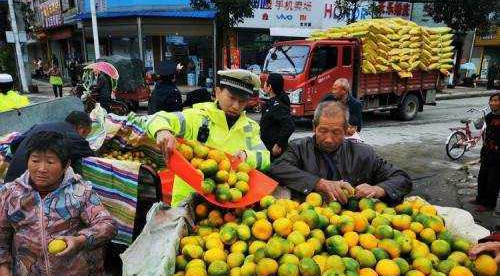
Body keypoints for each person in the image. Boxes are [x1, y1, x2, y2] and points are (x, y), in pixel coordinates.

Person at [0, 131, 117, 276]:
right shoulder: (10, 194)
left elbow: (107, 225)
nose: (41, 168)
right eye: (35, 160)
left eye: (50, 161)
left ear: (66, 165)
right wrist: (3, 272)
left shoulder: (81, 192)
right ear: (27, 161)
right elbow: (1, 235)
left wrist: (80, 240)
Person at [146, 69, 270, 206]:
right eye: (232, 98)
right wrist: (162, 130)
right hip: (187, 205)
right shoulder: (197, 116)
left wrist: (247, 156)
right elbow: (157, 118)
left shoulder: (250, 127)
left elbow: (265, 157)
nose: (236, 106)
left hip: (226, 204)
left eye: (242, 101)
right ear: (218, 92)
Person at [270, 101, 412, 204]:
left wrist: (379, 189)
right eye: (323, 131)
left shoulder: (363, 154)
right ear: (314, 127)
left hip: (354, 230)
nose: (329, 139)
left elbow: (402, 178)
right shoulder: (299, 148)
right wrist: (318, 183)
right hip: (307, 227)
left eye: (336, 132)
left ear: (346, 131)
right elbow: (277, 168)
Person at [5, 111, 95, 183]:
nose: (83, 138)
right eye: (85, 134)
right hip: (31, 192)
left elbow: (14, 145)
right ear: (81, 128)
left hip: (10, 182)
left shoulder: (39, 126)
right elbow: (93, 160)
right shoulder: (74, 137)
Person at [260, 73, 295, 160]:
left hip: (274, 152)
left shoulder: (278, 105)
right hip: (266, 149)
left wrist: (279, 144)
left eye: (265, 83)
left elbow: (289, 126)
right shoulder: (271, 103)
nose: (263, 85)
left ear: (269, 87)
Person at [474, 93, 500, 211]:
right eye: (491, 101)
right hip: (487, 151)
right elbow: (482, 129)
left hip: (497, 154)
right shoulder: (489, 116)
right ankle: (480, 199)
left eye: (495, 101)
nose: (492, 103)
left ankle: (489, 204)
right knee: (482, 177)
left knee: (493, 180)